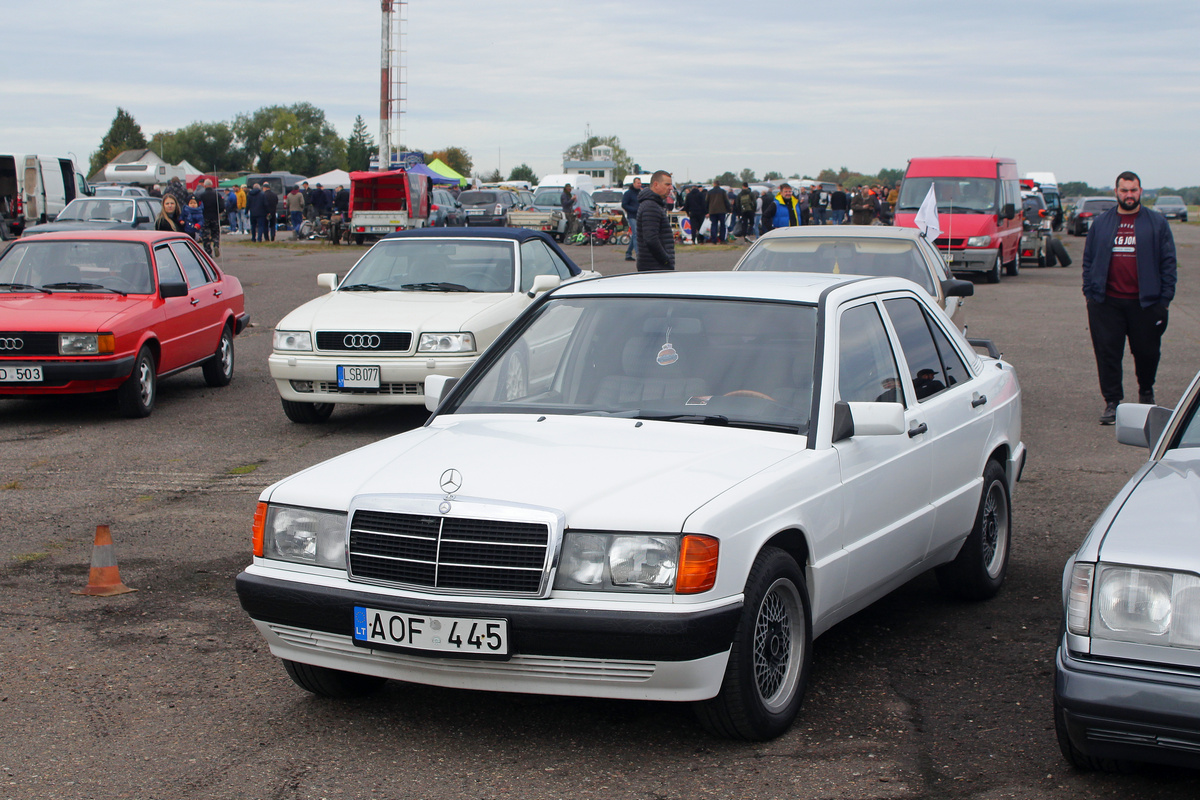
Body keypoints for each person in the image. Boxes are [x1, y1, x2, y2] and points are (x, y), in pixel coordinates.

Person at [1082, 170, 1177, 424]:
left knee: (1147, 353)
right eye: (1124, 190)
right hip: (1106, 303)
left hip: (1145, 304)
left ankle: (1146, 392)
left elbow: (1168, 262)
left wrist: (1164, 300)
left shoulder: (1156, 223)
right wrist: (1090, 294)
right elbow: (1088, 259)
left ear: (1140, 192)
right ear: (1116, 192)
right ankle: (1112, 403)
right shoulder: (1102, 223)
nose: (1129, 195)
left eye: (1133, 190)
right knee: (1108, 354)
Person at [635, 170, 675, 271]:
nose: (670, 188)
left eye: (671, 185)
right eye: (667, 184)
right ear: (656, 184)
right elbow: (651, 239)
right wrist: (665, 260)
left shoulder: (654, 204)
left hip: (654, 265)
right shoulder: (650, 206)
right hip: (654, 267)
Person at [197, 179, 223, 257]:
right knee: (216, 233)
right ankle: (216, 244)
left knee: (206, 235)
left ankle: (208, 252)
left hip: (205, 217)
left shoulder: (201, 195)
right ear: (211, 185)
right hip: (215, 217)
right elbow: (222, 206)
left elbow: (199, 206)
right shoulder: (217, 194)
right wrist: (218, 212)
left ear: (204, 186)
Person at [621, 177, 641, 262]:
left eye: (640, 183)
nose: (639, 184)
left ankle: (628, 253)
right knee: (636, 234)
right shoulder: (628, 193)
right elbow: (624, 204)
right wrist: (633, 209)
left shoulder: (641, 193)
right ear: (634, 183)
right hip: (632, 216)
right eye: (638, 183)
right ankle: (638, 254)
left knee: (636, 235)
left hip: (639, 216)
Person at [707, 180, 729, 244]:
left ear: (714, 184)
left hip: (712, 211)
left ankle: (714, 240)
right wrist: (729, 209)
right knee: (722, 225)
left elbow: (707, 202)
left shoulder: (710, 192)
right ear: (719, 184)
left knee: (714, 225)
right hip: (722, 210)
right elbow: (726, 201)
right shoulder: (723, 192)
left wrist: (707, 210)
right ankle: (722, 239)